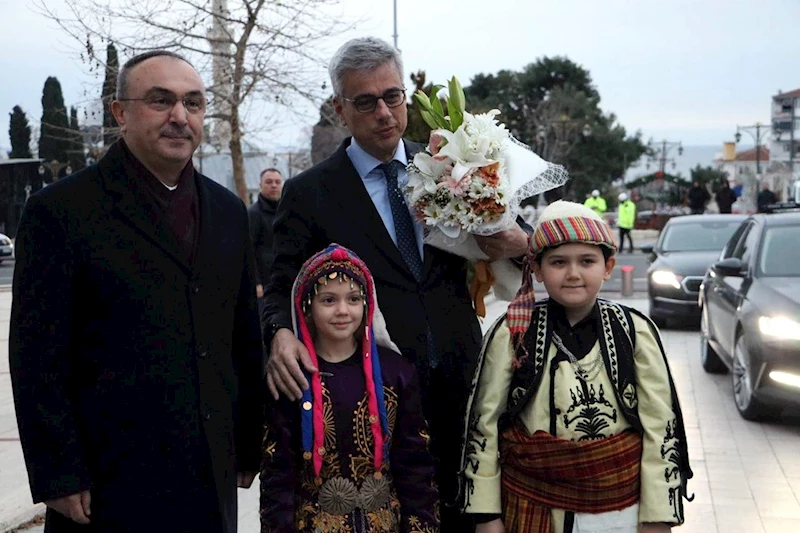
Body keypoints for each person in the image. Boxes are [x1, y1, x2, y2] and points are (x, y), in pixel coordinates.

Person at [261, 36, 529, 532]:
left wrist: (515, 239)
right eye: (366, 101)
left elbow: (517, 243)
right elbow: (280, 284)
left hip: (461, 374)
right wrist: (279, 332)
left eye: (393, 96)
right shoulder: (309, 194)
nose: (384, 112)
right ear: (341, 109)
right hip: (372, 395)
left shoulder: (453, 167)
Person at [9, 50, 263, 533]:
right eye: (160, 100)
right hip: (107, 484)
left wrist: (248, 441)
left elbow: (241, 336)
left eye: (193, 103)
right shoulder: (60, 211)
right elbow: (36, 355)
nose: (179, 116)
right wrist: (58, 472)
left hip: (209, 473)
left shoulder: (228, 211)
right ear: (120, 112)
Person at [460, 200, 692, 533]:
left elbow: (662, 427)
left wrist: (658, 515)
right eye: (558, 262)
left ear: (608, 266)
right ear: (537, 269)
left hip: (620, 511)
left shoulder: (634, 331)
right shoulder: (512, 331)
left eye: (587, 261)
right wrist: (485, 515)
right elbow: (484, 423)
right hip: (532, 504)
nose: (573, 273)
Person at [260, 244, 439, 532]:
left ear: (367, 304)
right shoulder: (292, 377)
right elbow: (277, 477)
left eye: (353, 299)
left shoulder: (398, 374)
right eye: (328, 300)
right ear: (307, 305)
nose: (343, 310)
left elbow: (415, 467)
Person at [248, 167, 284, 299]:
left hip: (285, 279)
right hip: (264, 283)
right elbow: (249, 250)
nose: (274, 186)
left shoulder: (287, 211)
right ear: (260, 185)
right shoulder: (253, 214)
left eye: (277, 182)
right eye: (269, 182)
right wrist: (256, 282)